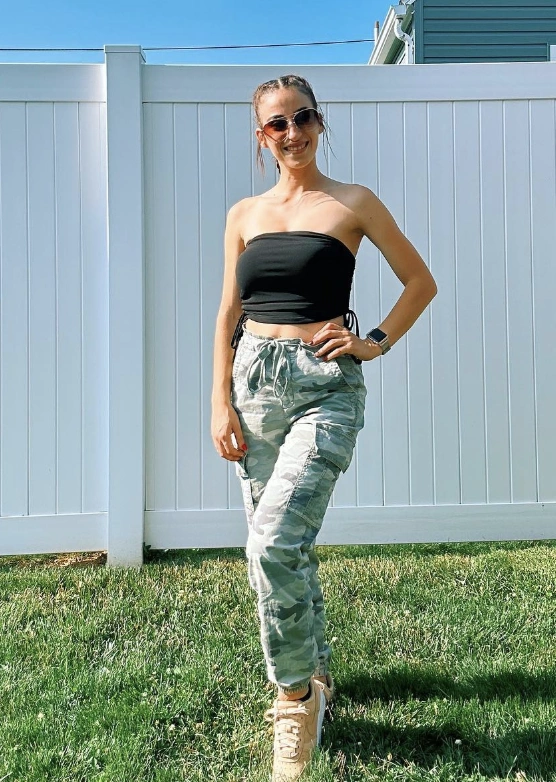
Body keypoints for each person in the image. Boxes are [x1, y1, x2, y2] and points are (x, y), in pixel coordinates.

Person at [211, 74, 437, 781]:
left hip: (322, 387)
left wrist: (373, 340)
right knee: (289, 550)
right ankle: (319, 676)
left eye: (302, 117)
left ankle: (294, 703)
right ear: (261, 137)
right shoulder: (243, 213)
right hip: (252, 385)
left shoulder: (353, 202)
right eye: (277, 124)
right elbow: (228, 312)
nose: (293, 132)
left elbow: (419, 282)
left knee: (272, 545)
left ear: (320, 121)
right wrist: (217, 401)